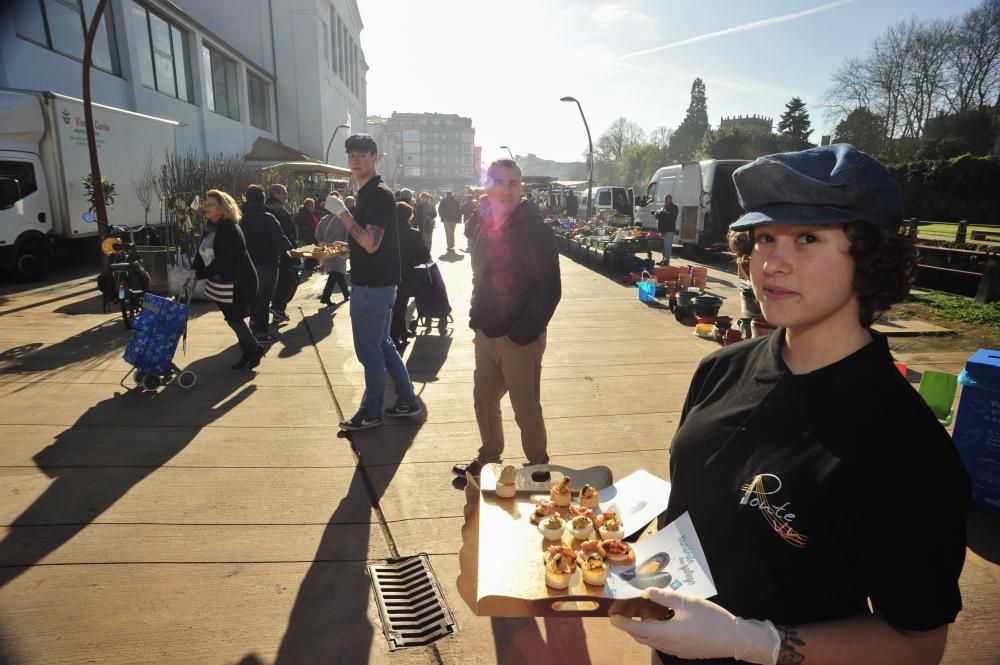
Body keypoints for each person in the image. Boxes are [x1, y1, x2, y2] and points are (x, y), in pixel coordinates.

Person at [610, 144, 970, 665]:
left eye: (807, 238)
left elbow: (918, 643)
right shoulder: (720, 369)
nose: (772, 263)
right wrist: (623, 565)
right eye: (762, 238)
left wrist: (751, 641)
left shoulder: (906, 448)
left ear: (870, 258)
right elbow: (693, 509)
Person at [452, 159, 561, 477]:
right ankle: (489, 455)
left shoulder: (534, 229)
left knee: (525, 409)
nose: (507, 189)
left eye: (514, 183)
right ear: (488, 187)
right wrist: (476, 316)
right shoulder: (487, 224)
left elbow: (549, 289)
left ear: (522, 187)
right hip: (486, 332)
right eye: (500, 182)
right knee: (483, 400)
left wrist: (523, 332)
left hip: (519, 338)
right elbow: (481, 276)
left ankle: (538, 467)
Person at [324, 133, 420, 430]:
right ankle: (406, 400)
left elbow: (370, 243)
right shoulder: (369, 193)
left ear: (374, 157)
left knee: (369, 351)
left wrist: (341, 213)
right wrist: (346, 246)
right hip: (378, 283)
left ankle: (372, 412)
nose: (356, 159)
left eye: (362, 154)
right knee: (384, 345)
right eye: (352, 154)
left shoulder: (377, 194)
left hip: (373, 286)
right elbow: (367, 242)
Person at [187, 189, 262, 369]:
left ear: (223, 208)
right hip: (222, 282)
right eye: (206, 204)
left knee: (234, 318)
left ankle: (254, 350)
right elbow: (202, 251)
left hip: (238, 283)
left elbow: (223, 261)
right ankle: (249, 353)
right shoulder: (211, 226)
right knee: (232, 318)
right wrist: (194, 268)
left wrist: (200, 274)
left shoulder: (229, 228)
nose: (206, 207)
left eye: (211, 204)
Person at [241, 184, 292, 343]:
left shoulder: (241, 218)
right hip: (267, 264)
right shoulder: (267, 217)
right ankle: (261, 333)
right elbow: (280, 240)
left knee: (254, 297)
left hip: (248, 264)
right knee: (264, 299)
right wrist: (293, 250)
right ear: (262, 198)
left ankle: (253, 325)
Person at [389, 201, 431, 348]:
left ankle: (403, 333)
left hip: (387, 274)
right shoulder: (414, 234)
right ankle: (394, 338)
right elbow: (424, 257)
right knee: (400, 308)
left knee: (395, 307)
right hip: (406, 275)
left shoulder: (386, 233)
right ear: (410, 216)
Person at [267, 183, 299, 322]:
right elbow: (285, 233)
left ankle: (278, 312)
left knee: (282, 282)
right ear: (275, 194)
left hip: (276, 252)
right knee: (291, 280)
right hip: (283, 252)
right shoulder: (277, 210)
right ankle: (278, 307)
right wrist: (292, 250)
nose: (286, 196)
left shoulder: (272, 209)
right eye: (283, 193)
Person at [315, 196, 350, 307]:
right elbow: (348, 236)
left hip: (326, 250)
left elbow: (317, 236)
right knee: (336, 273)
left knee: (336, 273)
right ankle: (326, 297)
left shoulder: (324, 219)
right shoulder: (344, 220)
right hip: (340, 250)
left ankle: (346, 294)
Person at [295, 197, 319, 275]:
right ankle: (309, 266)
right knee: (309, 251)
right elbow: (298, 222)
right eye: (311, 205)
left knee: (312, 251)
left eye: (313, 205)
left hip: (314, 235)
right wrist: (305, 229)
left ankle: (312, 265)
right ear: (307, 206)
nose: (313, 207)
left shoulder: (312, 214)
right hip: (308, 236)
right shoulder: (303, 213)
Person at [655, 194, 679, 265]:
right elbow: (658, 217)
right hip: (662, 230)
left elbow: (671, 216)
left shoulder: (674, 207)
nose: (665, 201)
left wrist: (661, 212)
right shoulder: (664, 207)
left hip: (669, 230)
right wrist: (657, 213)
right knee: (663, 247)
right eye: (665, 199)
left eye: (667, 199)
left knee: (667, 246)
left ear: (670, 199)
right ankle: (663, 259)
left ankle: (667, 261)